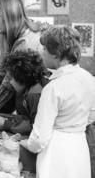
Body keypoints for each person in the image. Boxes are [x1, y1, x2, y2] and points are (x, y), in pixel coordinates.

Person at [20, 26, 95, 178]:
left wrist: (26, 144)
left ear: (56, 54)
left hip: (56, 152)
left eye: (45, 49)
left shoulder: (53, 87)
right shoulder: (89, 79)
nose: (42, 53)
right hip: (79, 147)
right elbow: (91, 116)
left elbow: (40, 138)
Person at [0, 49, 46, 135]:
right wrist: (7, 120)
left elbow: (35, 126)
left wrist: (6, 124)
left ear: (22, 77)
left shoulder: (35, 95)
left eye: (11, 78)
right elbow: (25, 118)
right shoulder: (25, 89)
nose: (10, 82)